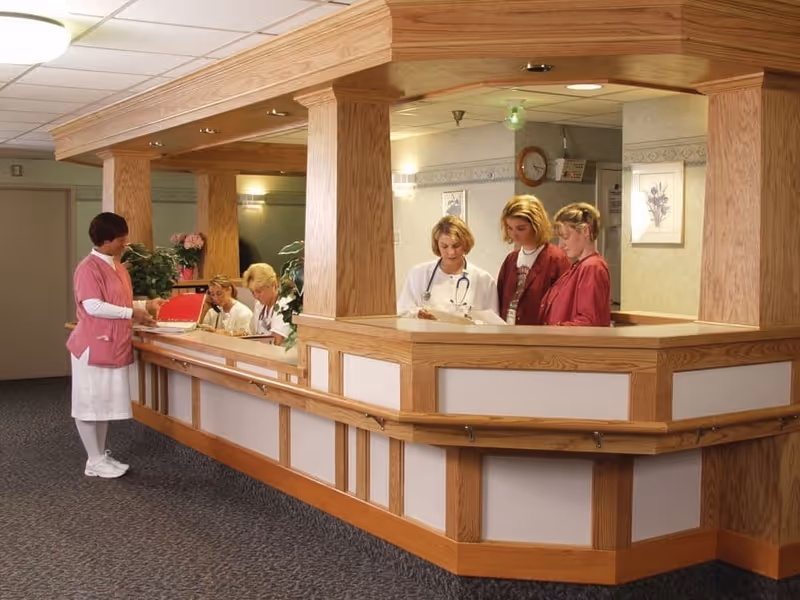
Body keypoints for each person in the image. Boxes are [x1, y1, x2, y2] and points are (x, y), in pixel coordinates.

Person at [66, 212, 165, 479]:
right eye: (121, 239)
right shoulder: (88, 268)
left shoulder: (117, 266)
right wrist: (131, 313)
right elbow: (93, 305)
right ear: (106, 241)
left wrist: (145, 305)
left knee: (103, 403)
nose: (125, 244)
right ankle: (93, 460)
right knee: (88, 403)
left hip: (111, 345)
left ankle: (99, 455)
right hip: (91, 346)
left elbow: (118, 301)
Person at [397, 215, 498, 320]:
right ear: (437, 245)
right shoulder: (418, 274)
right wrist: (417, 314)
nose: (451, 252)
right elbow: (402, 312)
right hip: (428, 336)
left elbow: (494, 323)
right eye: (444, 246)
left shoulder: (484, 280)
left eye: (456, 246)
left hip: (467, 336)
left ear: (465, 244)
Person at [497, 195, 571, 325]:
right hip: (509, 334)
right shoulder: (511, 260)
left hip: (540, 337)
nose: (514, 234)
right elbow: (501, 300)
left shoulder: (556, 259)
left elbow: (563, 306)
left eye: (521, 229)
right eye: (509, 228)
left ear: (536, 226)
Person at [540, 202, 611, 327]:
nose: (560, 245)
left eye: (566, 237)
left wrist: (554, 331)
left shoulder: (592, 267)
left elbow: (589, 322)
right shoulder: (578, 267)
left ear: (585, 230)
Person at [242, 263, 292, 345]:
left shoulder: (285, 304)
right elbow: (253, 333)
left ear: (273, 285)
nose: (256, 296)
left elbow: (277, 341)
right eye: (252, 292)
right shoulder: (259, 306)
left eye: (259, 291)